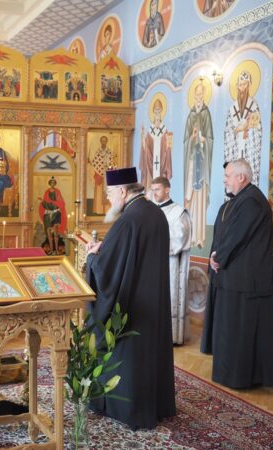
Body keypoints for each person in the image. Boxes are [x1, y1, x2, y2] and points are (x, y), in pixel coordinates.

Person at [85, 167, 175, 430]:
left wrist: (92, 257)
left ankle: (125, 407)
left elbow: (107, 268)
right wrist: (105, 249)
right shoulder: (155, 213)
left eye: (110, 192)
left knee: (128, 355)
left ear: (123, 191)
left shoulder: (128, 220)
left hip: (132, 306)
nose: (108, 198)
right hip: (153, 301)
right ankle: (154, 405)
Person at [200, 159, 273, 389]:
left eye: (228, 176)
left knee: (241, 331)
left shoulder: (251, 201)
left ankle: (241, 378)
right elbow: (223, 236)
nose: (224, 180)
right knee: (230, 330)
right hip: (234, 279)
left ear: (241, 177)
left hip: (247, 281)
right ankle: (229, 375)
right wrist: (214, 256)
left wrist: (218, 258)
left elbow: (237, 236)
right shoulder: (239, 201)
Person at [150, 176, 192, 345]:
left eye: (157, 189)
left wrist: (154, 242)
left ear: (167, 189)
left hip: (171, 264)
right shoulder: (152, 210)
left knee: (170, 297)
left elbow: (180, 238)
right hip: (153, 263)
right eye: (152, 190)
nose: (154, 193)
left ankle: (172, 336)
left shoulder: (179, 212)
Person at [184, 81, 214, 248]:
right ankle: (190, 236)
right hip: (191, 163)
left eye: (201, 94)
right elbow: (185, 141)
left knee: (200, 199)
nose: (198, 97)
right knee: (189, 197)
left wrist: (203, 140)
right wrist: (191, 137)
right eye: (196, 95)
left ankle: (200, 237)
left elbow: (210, 138)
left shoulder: (206, 113)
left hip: (201, 162)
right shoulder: (190, 115)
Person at [224, 70, 262, 186]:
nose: (242, 88)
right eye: (240, 85)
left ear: (249, 85)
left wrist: (247, 128)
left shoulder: (253, 105)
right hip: (236, 148)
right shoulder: (232, 108)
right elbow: (228, 131)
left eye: (245, 84)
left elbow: (257, 129)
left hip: (248, 148)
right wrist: (237, 130)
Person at [140, 98, 173, 191]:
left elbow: (168, 149)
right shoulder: (150, 131)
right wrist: (142, 136)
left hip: (161, 164)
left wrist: (168, 146)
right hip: (151, 164)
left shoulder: (165, 130)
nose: (157, 112)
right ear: (153, 112)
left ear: (162, 111)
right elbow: (146, 148)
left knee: (161, 183)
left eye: (159, 110)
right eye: (155, 110)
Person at [87, 135, 116, 215]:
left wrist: (108, 167)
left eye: (105, 141)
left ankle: (107, 210)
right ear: (100, 142)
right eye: (102, 141)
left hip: (107, 175)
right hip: (99, 174)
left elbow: (112, 163)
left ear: (107, 142)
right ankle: (99, 210)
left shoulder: (109, 151)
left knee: (107, 192)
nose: (103, 142)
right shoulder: (98, 151)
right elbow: (95, 162)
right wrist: (97, 166)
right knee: (99, 192)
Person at [38, 177, 66, 255]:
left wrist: (52, 204)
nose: (52, 184)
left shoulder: (57, 192)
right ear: (49, 183)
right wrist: (42, 201)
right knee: (49, 233)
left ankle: (56, 249)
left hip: (56, 213)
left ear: (55, 184)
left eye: (54, 183)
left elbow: (61, 202)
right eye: (51, 183)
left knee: (56, 233)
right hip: (48, 215)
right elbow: (45, 204)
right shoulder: (47, 192)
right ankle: (51, 249)